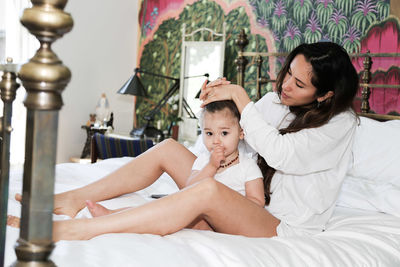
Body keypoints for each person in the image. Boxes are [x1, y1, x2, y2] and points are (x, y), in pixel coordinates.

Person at [8, 41, 359, 240]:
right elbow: (234, 129)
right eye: (287, 73)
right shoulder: (272, 103)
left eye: (299, 85)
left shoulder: (341, 125)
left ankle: (76, 230)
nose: (285, 86)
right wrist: (216, 99)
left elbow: (282, 154)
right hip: (239, 195)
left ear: (325, 95)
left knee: (205, 192)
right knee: (167, 148)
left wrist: (239, 95)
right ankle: (71, 198)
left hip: (280, 224)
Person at [82, 100, 265, 232]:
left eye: (224, 133)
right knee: (164, 209)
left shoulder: (247, 166)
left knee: (173, 214)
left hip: (229, 222)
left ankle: (121, 220)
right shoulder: (203, 160)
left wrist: (226, 202)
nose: (216, 140)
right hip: (203, 217)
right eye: (209, 133)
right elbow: (189, 187)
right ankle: (115, 215)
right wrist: (211, 167)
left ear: (241, 133)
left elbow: (257, 205)